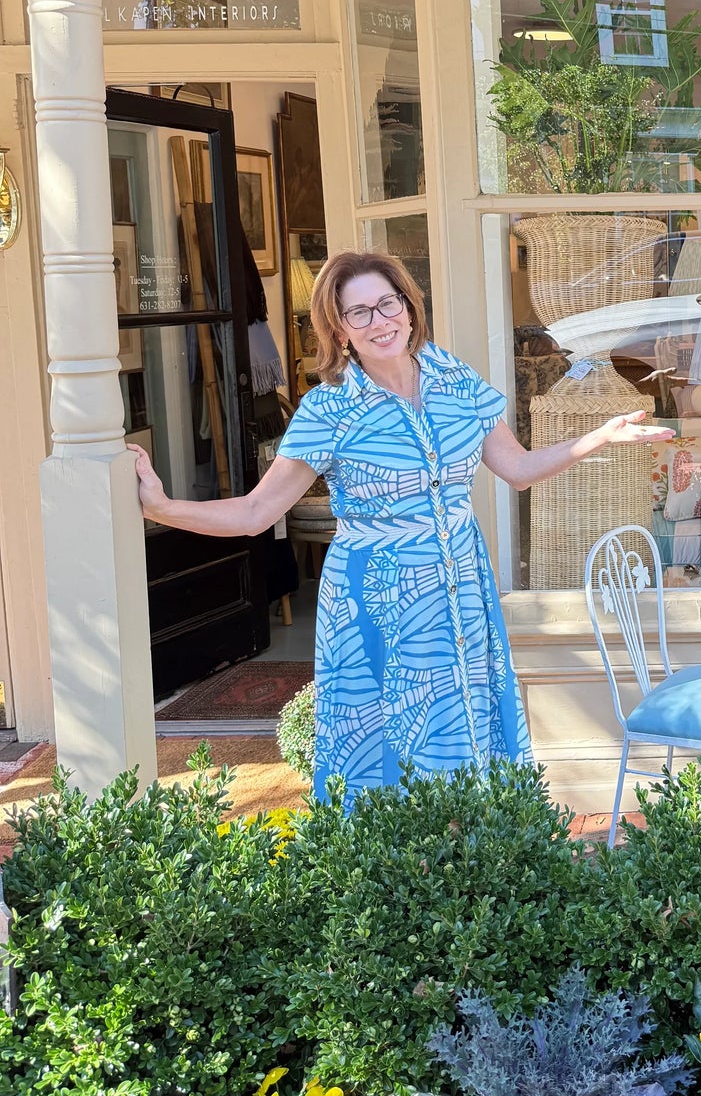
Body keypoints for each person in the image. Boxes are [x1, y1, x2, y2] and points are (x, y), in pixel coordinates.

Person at [131, 249, 672, 797]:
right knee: (388, 743)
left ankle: (475, 844)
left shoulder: (455, 378)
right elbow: (255, 513)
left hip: (461, 585)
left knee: (465, 726)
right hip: (377, 599)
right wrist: (164, 508)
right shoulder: (329, 409)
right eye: (358, 312)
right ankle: (391, 850)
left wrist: (600, 437)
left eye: (387, 304)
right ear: (340, 331)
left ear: (409, 309)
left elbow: (517, 469)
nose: (379, 321)